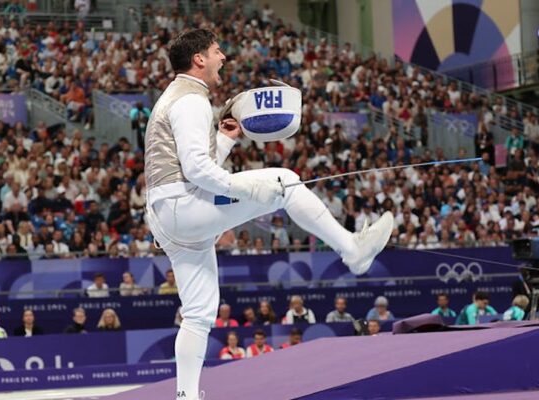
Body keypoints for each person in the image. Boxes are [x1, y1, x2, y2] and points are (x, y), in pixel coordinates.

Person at [143, 28, 393, 400]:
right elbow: (196, 170)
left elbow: (192, 164)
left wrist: (226, 139)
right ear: (199, 59)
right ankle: (351, 250)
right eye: (216, 51)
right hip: (183, 205)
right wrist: (241, 188)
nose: (222, 57)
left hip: (168, 215)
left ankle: (186, 396)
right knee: (285, 181)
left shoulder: (174, 97)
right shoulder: (191, 100)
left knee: (198, 314)